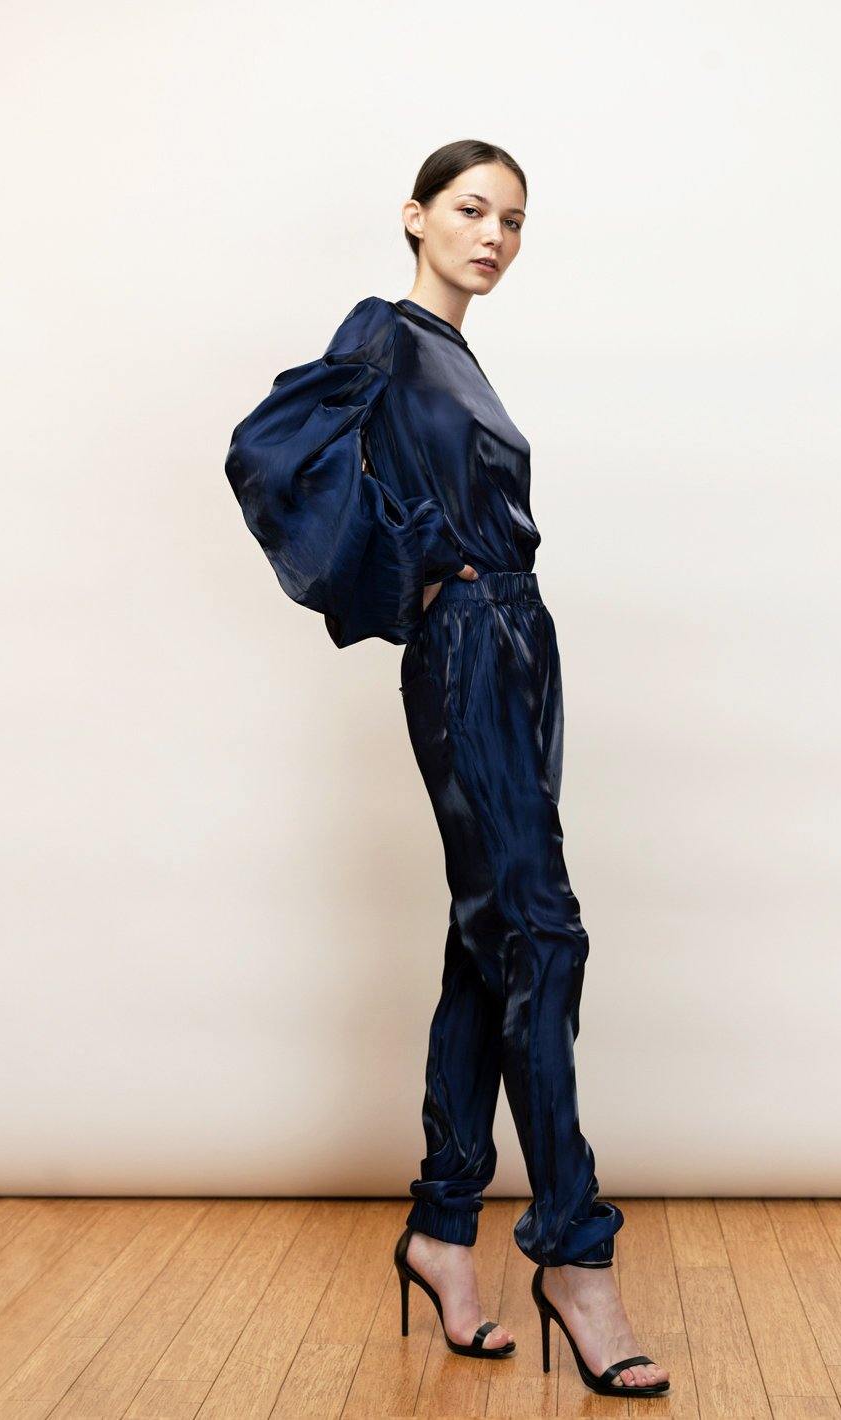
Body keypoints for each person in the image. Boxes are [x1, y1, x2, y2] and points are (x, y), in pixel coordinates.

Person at [224, 140, 670, 1398]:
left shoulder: (462, 359)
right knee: (542, 932)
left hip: (524, 638)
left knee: (491, 937)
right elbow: (268, 449)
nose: (494, 234)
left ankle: (439, 1226)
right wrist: (417, 558)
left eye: (515, 220)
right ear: (415, 215)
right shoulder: (385, 332)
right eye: (472, 209)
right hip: (472, 639)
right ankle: (577, 1257)